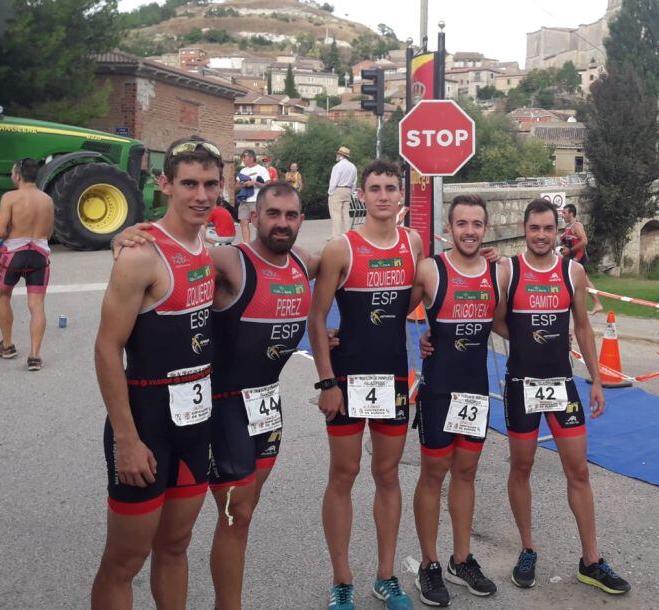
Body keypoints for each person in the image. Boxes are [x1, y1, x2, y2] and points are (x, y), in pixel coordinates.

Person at [111, 181, 327, 610]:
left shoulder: (304, 261)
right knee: (230, 513)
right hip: (223, 405)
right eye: (272, 214)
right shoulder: (228, 259)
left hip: (268, 409)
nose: (282, 223)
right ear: (254, 219)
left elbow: (357, 268)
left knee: (241, 517)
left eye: (290, 215)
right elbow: (171, 261)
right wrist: (125, 238)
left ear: (301, 220)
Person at [91, 137, 223, 610]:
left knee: (176, 547)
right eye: (189, 183)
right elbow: (108, 349)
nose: (200, 195)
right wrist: (126, 440)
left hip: (195, 425)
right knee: (125, 561)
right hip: (146, 426)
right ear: (165, 184)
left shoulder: (210, 248)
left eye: (210, 184)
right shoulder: (141, 253)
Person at [500, 198, 629, 596]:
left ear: (559, 232)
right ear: (525, 229)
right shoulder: (508, 270)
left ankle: (591, 560)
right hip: (521, 385)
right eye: (534, 228)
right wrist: (528, 340)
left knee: (579, 471)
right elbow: (494, 319)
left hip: (561, 385)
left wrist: (595, 379)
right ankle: (527, 549)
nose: (541, 235)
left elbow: (584, 328)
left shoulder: (571, 271)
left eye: (548, 229)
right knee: (521, 469)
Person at [309, 159, 422, 610]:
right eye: (373, 188)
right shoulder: (342, 248)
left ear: (400, 197)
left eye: (389, 188)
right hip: (347, 376)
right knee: (344, 474)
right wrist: (326, 381)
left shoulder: (412, 243)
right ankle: (342, 580)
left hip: (393, 376)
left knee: (387, 474)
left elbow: (421, 293)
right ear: (361, 196)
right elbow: (317, 318)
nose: (381, 195)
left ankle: (386, 576)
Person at [410, 195, 507, 607]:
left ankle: (461, 559)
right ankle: (428, 565)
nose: (470, 230)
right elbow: (388, 314)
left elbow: (504, 323)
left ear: (485, 229)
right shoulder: (431, 269)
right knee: (434, 475)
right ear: (448, 228)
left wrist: (557, 339)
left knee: (466, 473)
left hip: (474, 389)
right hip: (437, 389)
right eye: (462, 223)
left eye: (477, 224)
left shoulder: (496, 271)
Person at [0, 158, 54, 370]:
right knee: (37, 305)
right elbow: (48, 233)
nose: (12, 176)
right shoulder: (47, 199)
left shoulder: (10, 197)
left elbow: (1, 231)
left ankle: (8, 345)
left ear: (19, 175)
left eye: (13, 173)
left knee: (2, 295)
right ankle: (34, 356)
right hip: (39, 255)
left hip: (13, 255)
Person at [559, 204, 602, 315]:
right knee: (580, 280)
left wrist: (570, 251)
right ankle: (578, 304)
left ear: (571, 213)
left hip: (579, 256)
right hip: (572, 256)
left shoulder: (577, 225)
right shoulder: (568, 227)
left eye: (564, 213)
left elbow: (584, 241)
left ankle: (596, 303)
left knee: (582, 280)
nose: (562, 215)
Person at [236, 150, 270, 244]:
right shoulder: (243, 170)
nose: (243, 159)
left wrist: (254, 183)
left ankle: (260, 243)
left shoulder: (261, 169)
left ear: (251, 157)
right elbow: (237, 186)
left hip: (256, 199)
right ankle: (247, 245)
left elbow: (268, 185)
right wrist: (244, 184)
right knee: (243, 221)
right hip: (244, 199)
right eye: (242, 157)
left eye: (244, 157)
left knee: (258, 223)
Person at [327, 146, 356, 239]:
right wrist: (351, 192)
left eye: (338, 154)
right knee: (345, 213)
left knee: (336, 213)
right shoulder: (353, 167)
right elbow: (354, 181)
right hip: (348, 190)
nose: (337, 155)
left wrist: (330, 192)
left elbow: (334, 180)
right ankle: (347, 235)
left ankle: (336, 236)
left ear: (341, 155)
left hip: (338, 189)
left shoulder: (338, 166)